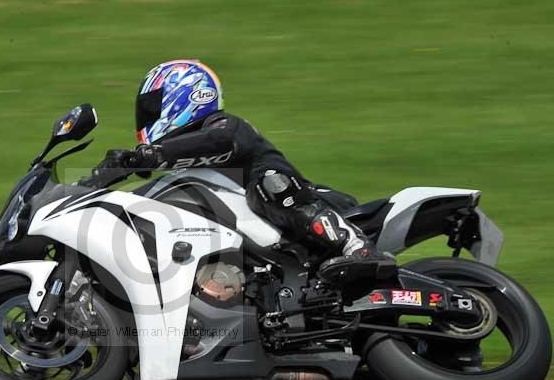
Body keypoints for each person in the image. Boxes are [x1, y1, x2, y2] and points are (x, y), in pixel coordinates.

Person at [93, 59, 396, 287]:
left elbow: (219, 142)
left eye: (153, 107)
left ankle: (356, 247)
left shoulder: (225, 127)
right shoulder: (183, 163)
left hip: (310, 206)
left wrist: (152, 154)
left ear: (187, 95)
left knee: (269, 185)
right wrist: (93, 186)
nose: (148, 116)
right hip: (260, 249)